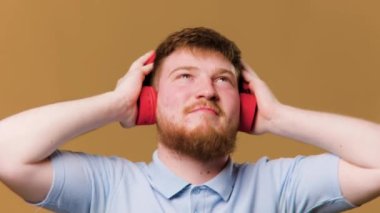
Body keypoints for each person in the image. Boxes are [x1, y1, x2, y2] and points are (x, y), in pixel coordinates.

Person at [0, 27, 379, 213]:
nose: (207, 91)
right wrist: (115, 104)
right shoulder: (108, 187)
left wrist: (278, 117)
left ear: (243, 105)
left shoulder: (281, 187)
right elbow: (5, 152)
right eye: (185, 76)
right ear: (150, 99)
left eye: (222, 80)